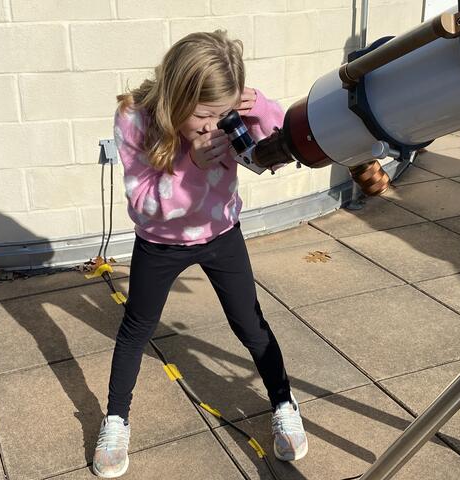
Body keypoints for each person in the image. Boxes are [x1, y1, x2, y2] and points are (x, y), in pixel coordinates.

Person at [92, 30, 307, 478]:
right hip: (160, 242)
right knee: (137, 328)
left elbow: (268, 158)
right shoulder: (134, 118)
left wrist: (262, 110)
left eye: (223, 114)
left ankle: (284, 403)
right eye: (204, 116)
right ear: (176, 96)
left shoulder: (227, 117)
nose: (214, 127)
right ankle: (116, 420)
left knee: (250, 322)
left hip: (221, 233)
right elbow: (143, 201)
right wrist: (192, 166)